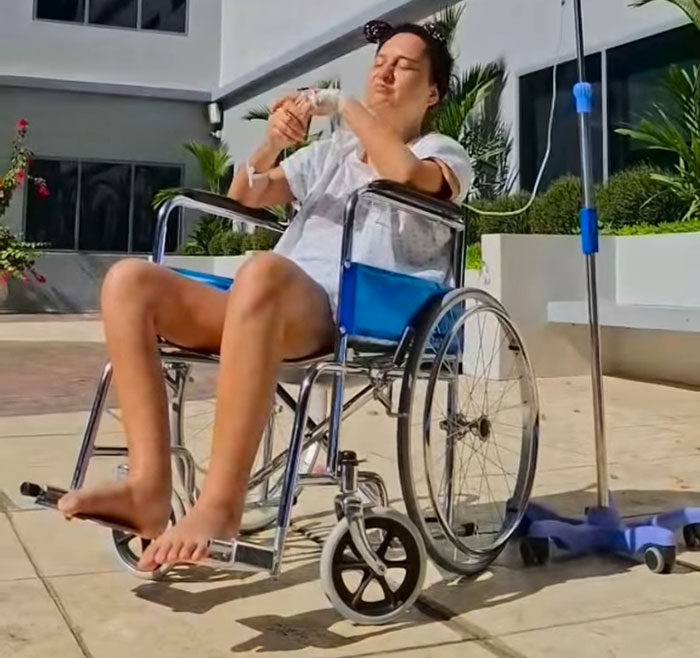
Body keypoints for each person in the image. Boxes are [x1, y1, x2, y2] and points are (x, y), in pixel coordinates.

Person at [57, 20, 473, 570]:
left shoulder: (441, 151)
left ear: (433, 93)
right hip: (270, 300)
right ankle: (147, 487)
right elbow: (245, 196)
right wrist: (274, 141)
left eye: (403, 66)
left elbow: (409, 176)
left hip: (356, 309)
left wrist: (345, 107)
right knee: (129, 282)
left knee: (263, 272)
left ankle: (220, 506)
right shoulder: (333, 154)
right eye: (379, 62)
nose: (385, 72)